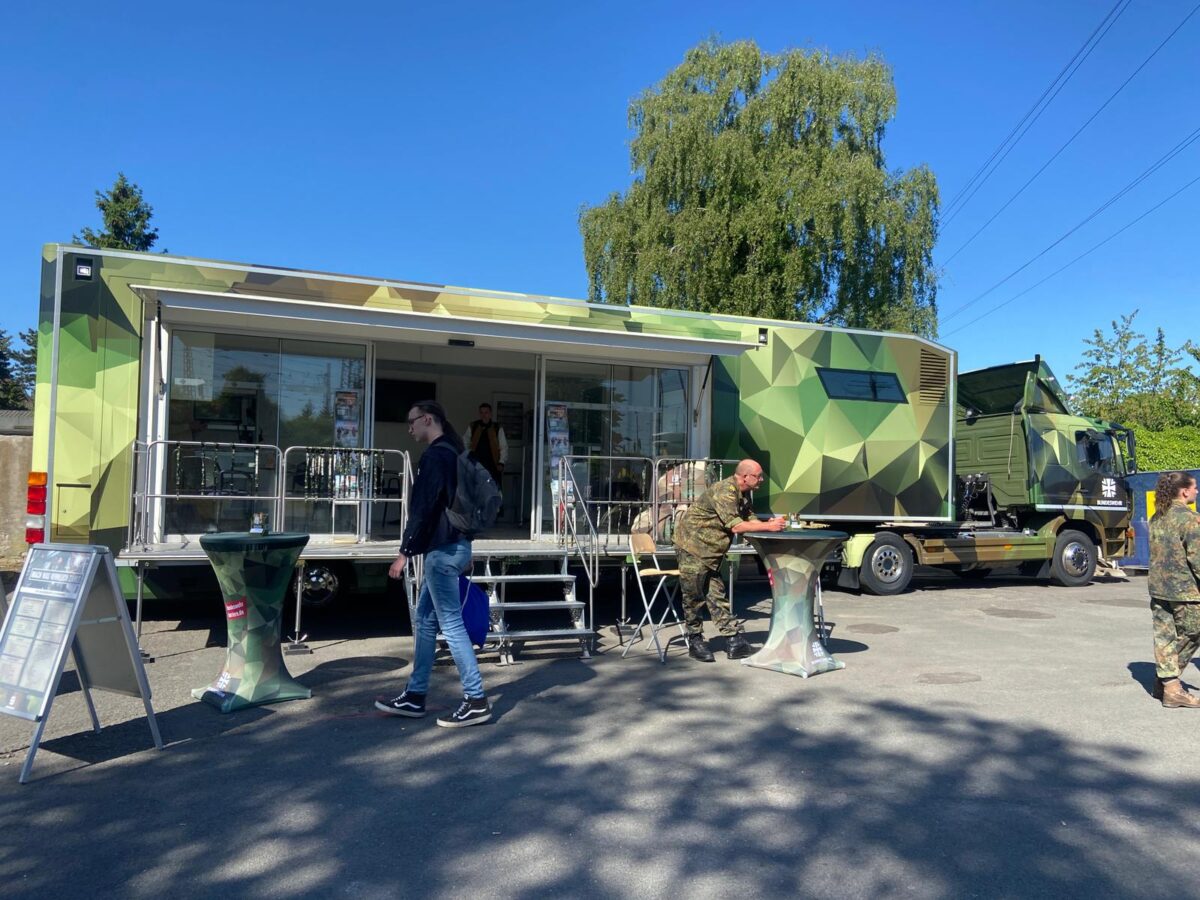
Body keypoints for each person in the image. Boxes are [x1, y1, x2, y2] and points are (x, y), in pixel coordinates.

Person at [375, 400, 491, 727]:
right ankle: (415, 695)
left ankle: (476, 699)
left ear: (428, 419)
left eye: (412, 422)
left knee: (451, 626)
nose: (409, 429)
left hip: (442, 553)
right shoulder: (455, 453)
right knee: (425, 620)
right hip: (452, 548)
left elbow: (422, 509)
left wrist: (404, 552)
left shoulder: (436, 456)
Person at [673, 458, 786, 661]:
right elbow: (736, 525)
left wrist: (765, 523)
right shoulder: (725, 491)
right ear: (745, 476)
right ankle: (695, 640)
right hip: (693, 546)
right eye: (758, 476)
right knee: (693, 597)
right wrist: (768, 527)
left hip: (711, 551)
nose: (761, 480)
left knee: (717, 595)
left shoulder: (741, 493)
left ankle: (734, 641)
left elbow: (748, 517)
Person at [1148, 470, 1200, 709]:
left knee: (1165, 637)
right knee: (1193, 633)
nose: (1196, 491)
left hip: (1159, 589)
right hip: (1184, 591)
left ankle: (1167, 683)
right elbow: (1197, 558)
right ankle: (1170, 685)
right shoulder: (1189, 519)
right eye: (1194, 487)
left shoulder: (1157, 517)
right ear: (1184, 491)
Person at [463, 403, 508, 486]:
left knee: (493, 489)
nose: (484, 415)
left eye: (486, 412)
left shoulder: (497, 428)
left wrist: (501, 462)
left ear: (490, 414)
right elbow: (465, 442)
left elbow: (503, 446)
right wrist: (468, 456)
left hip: (493, 465)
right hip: (476, 465)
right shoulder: (473, 426)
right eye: (481, 412)